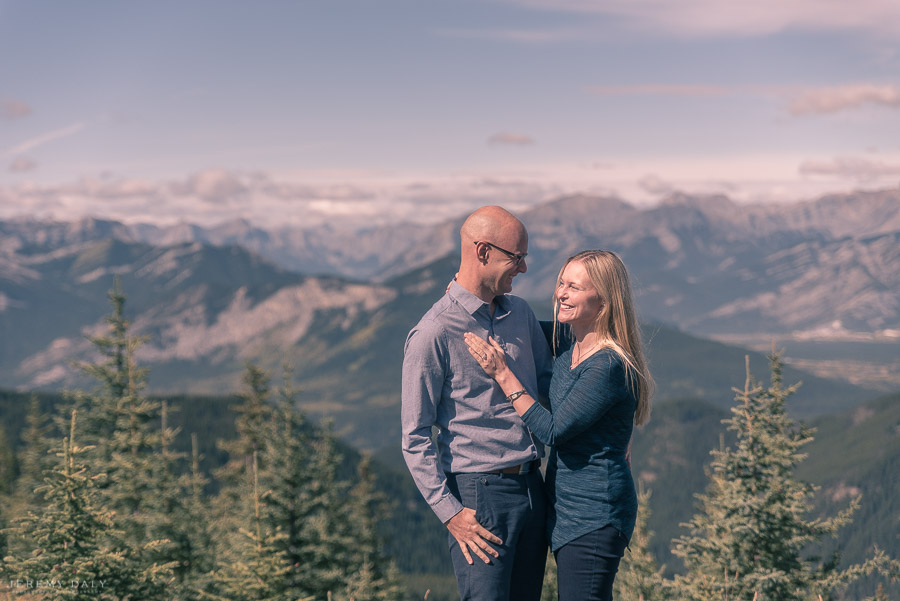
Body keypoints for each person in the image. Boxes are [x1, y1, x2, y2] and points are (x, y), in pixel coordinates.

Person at [464, 250, 654, 601]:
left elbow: (553, 431)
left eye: (574, 287)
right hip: (569, 508)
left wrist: (504, 375)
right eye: (561, 284)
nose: (561, 294)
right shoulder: (571, 340)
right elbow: (517, 328)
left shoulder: (607, 364)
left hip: (595, 513)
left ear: (604, 300)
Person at [401, 206, 554, 601]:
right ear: (483, 251)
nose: (522, 269)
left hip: (532, 485)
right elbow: (415, 435)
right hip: (480, 493)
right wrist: (450, 512)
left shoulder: (520, 312)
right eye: (515, 258)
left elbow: (547, 385)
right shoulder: (433, 332)